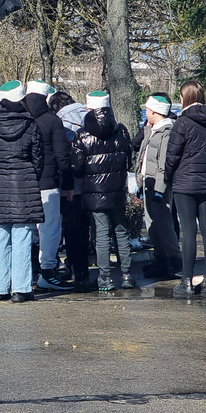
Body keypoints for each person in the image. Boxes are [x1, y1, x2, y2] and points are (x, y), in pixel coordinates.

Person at [0, 81, 45, 303]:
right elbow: (38, 159)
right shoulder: (31, 125)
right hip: (24, 184)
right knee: (22, 235)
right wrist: (28, 174)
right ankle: (21, 288)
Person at [163, 80, 206, 297]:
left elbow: (172, 156)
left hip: (185, 183)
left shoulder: (182, 122)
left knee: (188, 230)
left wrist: (168, 178)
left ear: (186, 98)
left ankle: (186, 282)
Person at [70, 90, 134, 291]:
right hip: (117, 190)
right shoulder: (121, 130)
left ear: (89, 107)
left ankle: (105, 277)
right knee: (121, 232)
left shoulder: (82, 134)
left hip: (94, 192)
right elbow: (129, 160)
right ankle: (127, 275)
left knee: (101, 234)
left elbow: (77, 167)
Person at [25, 80, 74, 291]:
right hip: (48, 182)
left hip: (23, 183)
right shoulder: (52, 121)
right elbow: (62, 156)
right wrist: (68, 183)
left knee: (26, 228)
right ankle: (47, 271)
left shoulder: (21, 119)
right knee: (50, 228)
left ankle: (26, 271)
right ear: (46, 97)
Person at [136, 94, 183, 279]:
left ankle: (175, 262)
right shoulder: (152, 130)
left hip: (158, 186)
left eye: (147, 110)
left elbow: (164, 163)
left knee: (164, 225)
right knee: (152, 225)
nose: (145, 113)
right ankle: (161, 260)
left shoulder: (167, 132)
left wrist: (160, 189)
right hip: (148, 182)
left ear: (154, 112)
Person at [49, 91, 92, 288]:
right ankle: (83, 269)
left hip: (69, 186)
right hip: (92, 184)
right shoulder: (91, 117)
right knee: (84, 229)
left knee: (69, 228)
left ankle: (71, 267)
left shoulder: (61, 124)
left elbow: (64, 158)